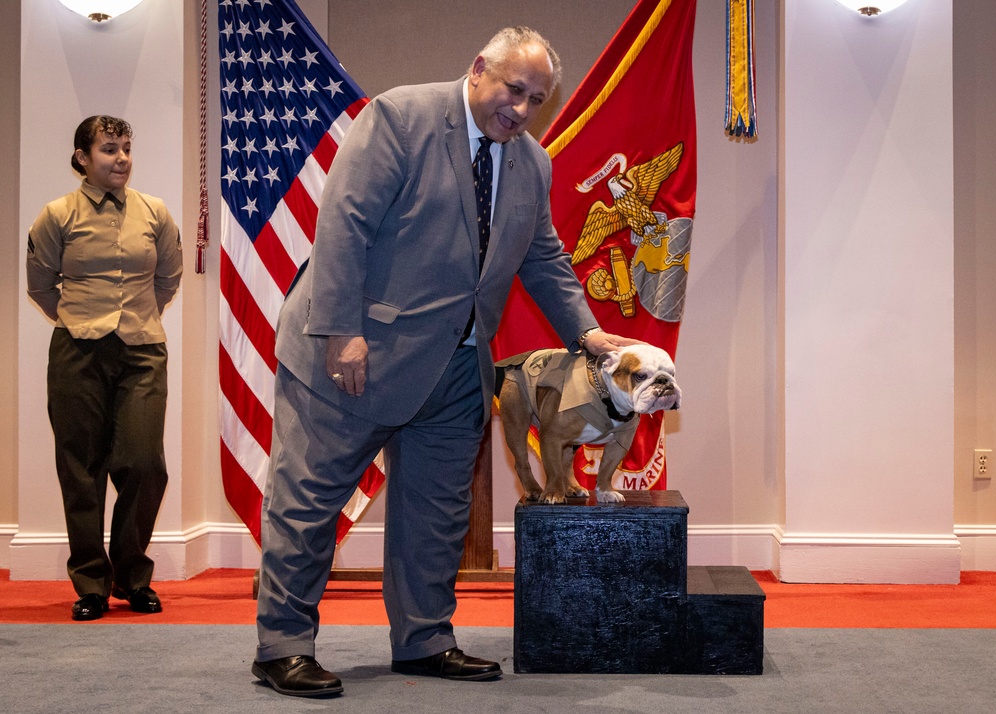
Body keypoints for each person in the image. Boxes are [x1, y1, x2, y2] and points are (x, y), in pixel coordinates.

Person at [253, 27, 637, 697]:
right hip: (355, 352)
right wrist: (341, 331)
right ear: (479, 69)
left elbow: (541, 256)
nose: (520, 109)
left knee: (436, 515)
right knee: (309, 500)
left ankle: (424, 638)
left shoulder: (531, 163)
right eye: (513, 90)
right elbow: (343, 222)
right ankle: (282, 645)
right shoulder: (400, 118)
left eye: (536, 100)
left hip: (457, 363)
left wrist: (587, 332)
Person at [25, 116, 183, 621]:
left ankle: (132, 576)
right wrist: (81, 321)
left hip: (141, 350)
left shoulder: (154, 212)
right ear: (82, 158)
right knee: (81, 468)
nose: (122, 159)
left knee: (143, 462)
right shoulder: (57, 215)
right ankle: (91, 583)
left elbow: (168, 277)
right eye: (110, 149)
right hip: (77, 351)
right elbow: (40, 285)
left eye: (126, 149)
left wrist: (134, 320)